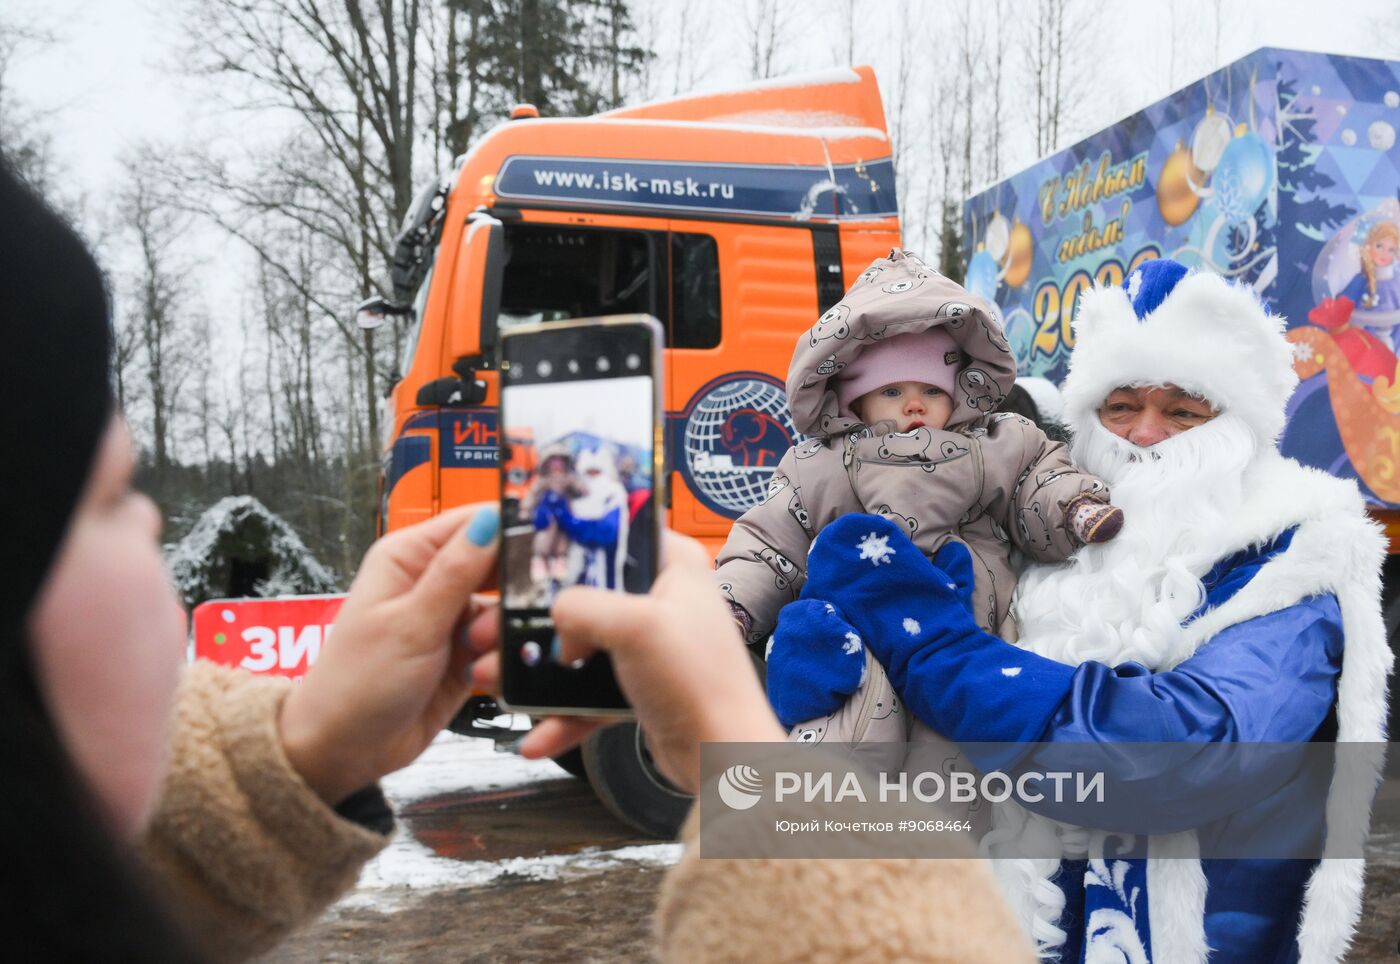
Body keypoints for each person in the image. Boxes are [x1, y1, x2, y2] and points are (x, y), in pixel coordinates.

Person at [2, 163, 1037, 963]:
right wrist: (738, 739)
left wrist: (302, 751)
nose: (151, 523)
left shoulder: (1002, 449)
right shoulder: (813, 471)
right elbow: (765, 548)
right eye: (113, 494)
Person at [767, 258, 1391, 962]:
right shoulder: (1047, 536)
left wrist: (928, 646)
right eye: (1120, 407)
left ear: (1241, 423)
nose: (1144, 434)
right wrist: (836, 664)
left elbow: (1177, 756)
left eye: (1183, 410)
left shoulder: (1293, 554)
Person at [715, 249, 1121, 740]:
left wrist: (1074, 505)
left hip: (966, 638)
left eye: (931, 391)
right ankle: (810, 678)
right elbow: (769, 543)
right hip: (862, 649)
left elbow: (1037, 480)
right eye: (891, 392)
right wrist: (731, 605)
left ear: (958, 391)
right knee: (848, 745)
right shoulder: (820, 464)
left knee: (961, 757)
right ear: (854, 400)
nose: (914, 405)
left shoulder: (995, 444)